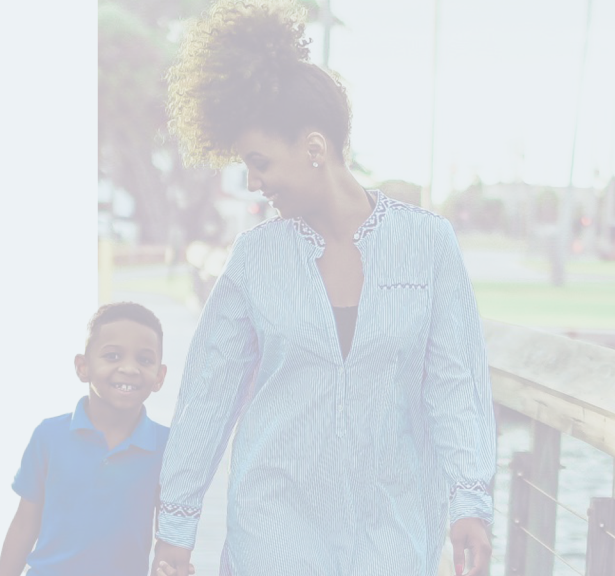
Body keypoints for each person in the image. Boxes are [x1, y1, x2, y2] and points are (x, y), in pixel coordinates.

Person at [148, 1, 496, 575]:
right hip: (275, 521)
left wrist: (471, 502)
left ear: (314, 148)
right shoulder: (255, 259)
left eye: (260, 163)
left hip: (397, 519)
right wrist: (177, 531)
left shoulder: (429, 245)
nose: (254, 183)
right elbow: (207, 397)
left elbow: (455, 382)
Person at [0, 302, 191, 576]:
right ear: (82, 366)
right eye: (112, 356)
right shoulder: (49, 436)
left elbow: (169, 535)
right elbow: (24, 526)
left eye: (144, 360)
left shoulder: (168, 448)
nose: (129, 368)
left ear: (159, 377)